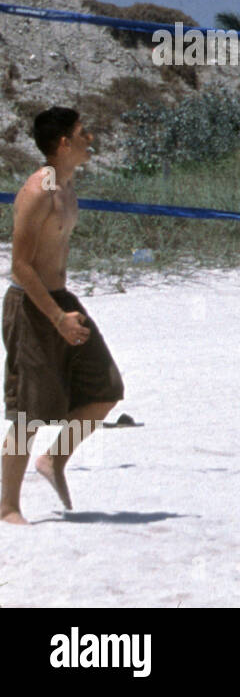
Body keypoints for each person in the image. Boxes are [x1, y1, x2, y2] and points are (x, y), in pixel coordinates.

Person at [3, 108, 123, 524]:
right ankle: (7, 507)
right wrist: (57, 318)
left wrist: (64, 309)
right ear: (63, 144)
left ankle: (53, 461)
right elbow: (19, 265)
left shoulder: (67, 186)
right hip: (31, 306)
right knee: (29, 413)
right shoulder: (39, 190)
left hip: (60, 297)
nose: (90, 137)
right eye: (81, 133)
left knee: (105, 388)